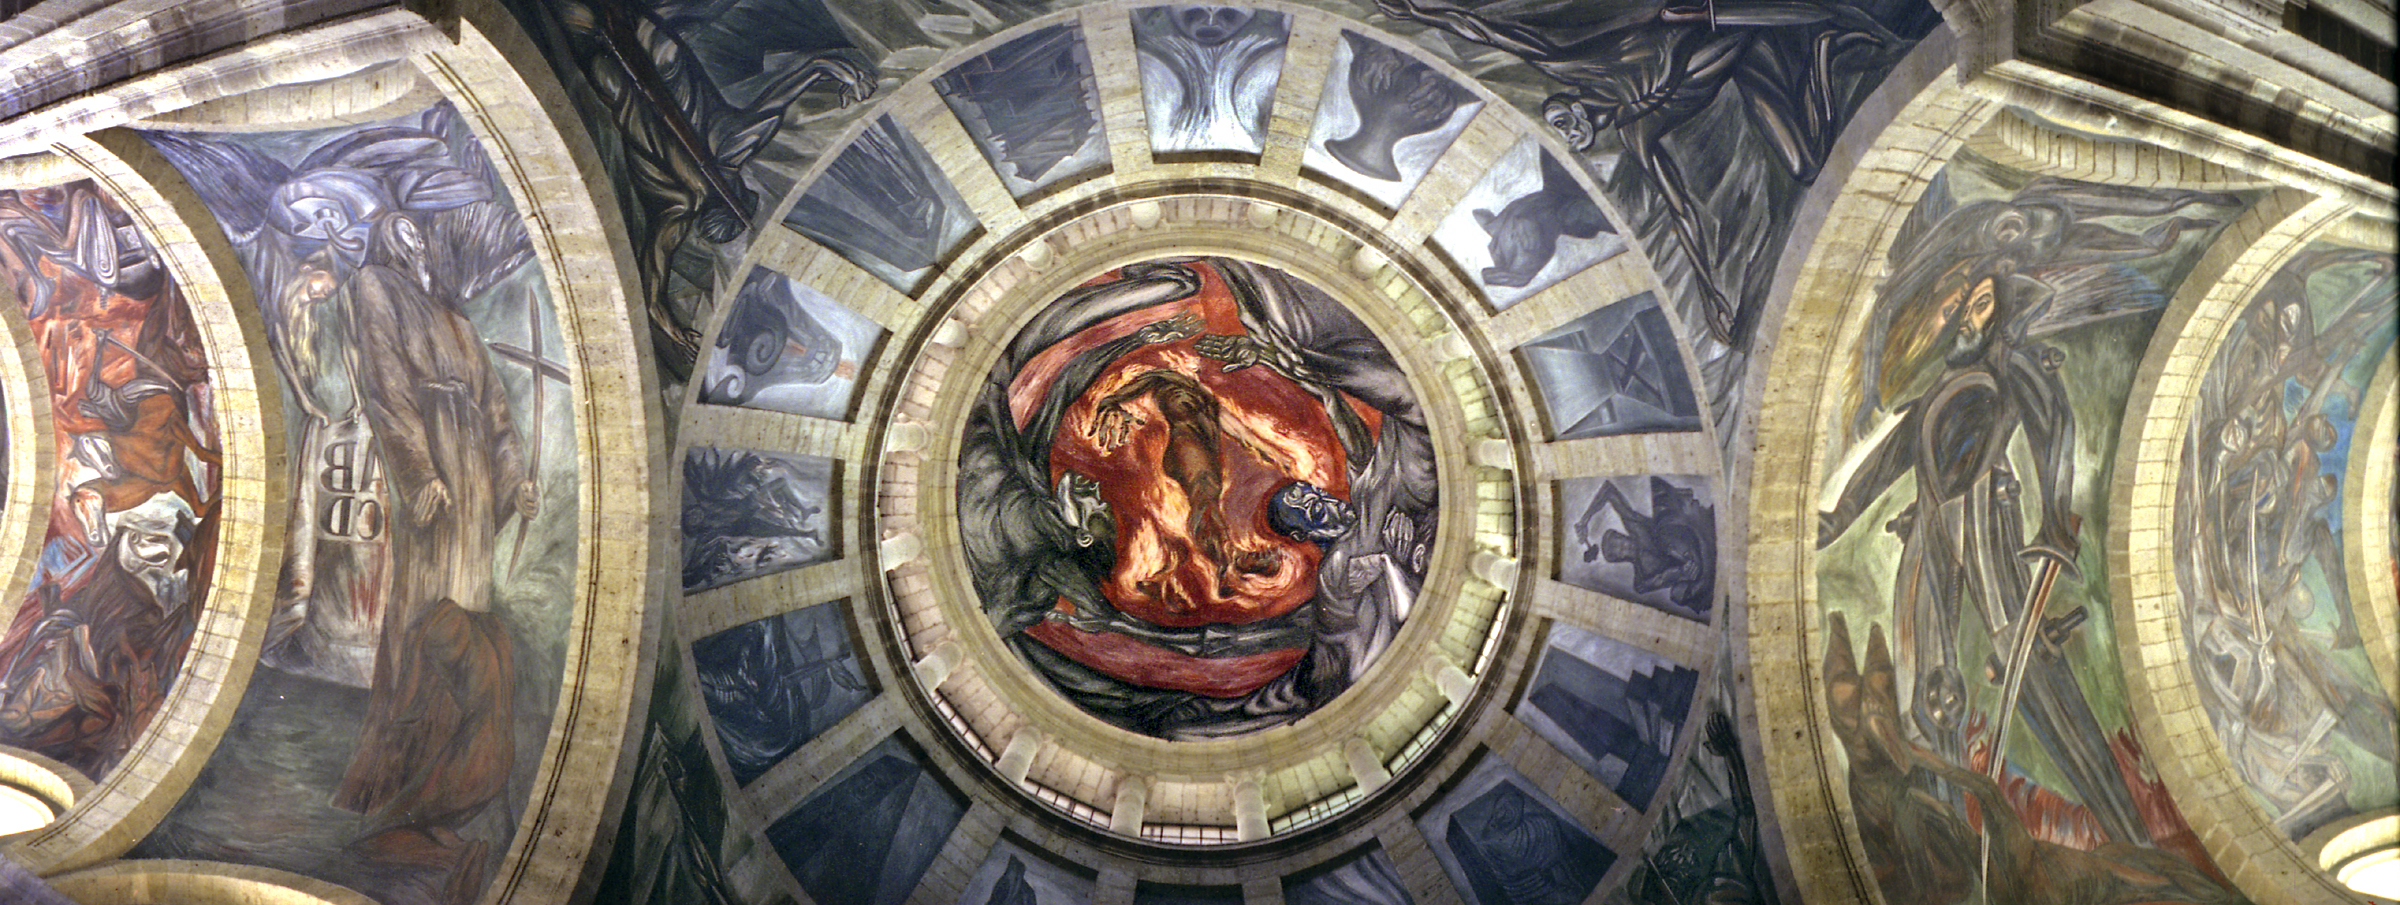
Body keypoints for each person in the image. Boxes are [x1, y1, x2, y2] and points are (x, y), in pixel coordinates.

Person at [323, 211, 534, 903]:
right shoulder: (375, 286)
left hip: (474, 478)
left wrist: (516, 481)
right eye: (401, 233)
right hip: (436, 469)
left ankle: (452, 776)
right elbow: (385, 381)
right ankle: (402, 782)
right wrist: (418, 473)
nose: (414, 243)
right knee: (427, 614)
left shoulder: (457, 321)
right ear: (385, 243)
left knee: (469, 609)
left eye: (419, 234)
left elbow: (496, 410)